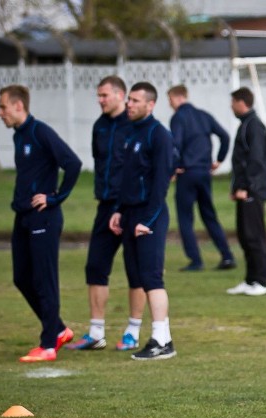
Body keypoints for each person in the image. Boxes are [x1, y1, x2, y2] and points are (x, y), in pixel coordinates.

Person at [0, 84, 81, 362]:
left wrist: (55, 197)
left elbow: (73, 163)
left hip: (44, 216)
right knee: (21, 277)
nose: (0, 113)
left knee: (45, 280)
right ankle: (57, 329)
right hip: (22, 216)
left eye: (3, 107)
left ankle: (48, 345)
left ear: (18, 105)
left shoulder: (40, 131)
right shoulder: (20, 136)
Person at [67, 76, 148, 352]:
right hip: (105, 206)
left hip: (130, 206)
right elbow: (100, 164)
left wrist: (125, 207)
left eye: (104, 95)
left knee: (135, 271)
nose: (100, 100)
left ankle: (133, 332)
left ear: (120, 95)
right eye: (98, 96)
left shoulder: (134, 125)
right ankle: (95, 332)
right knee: (95, 266)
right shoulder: (99, 126)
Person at [109, 82, 176, 360]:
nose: (130, 104)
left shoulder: (159, 134)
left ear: (150, 105)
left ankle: (162, 341)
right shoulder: (129, 132)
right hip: (131, 215)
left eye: (136, 100)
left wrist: (146, 219)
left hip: (151, 216)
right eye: (129, 100)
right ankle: (162, 338)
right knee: (137, 279)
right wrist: (119, 210)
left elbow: (161, 183)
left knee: (152, 278)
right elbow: (127, 179)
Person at [167, 84, 236, 272]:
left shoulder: (178, 118)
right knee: (209, 215)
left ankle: (195, 260)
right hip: (204, 172)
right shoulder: (204, 115)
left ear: (177, 97)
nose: (170, 104)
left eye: (170, 100)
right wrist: (219, 160)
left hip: (187, 173)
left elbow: (176, 144)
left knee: (185, 217)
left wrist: (174, 166)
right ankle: (227, 256)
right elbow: (225, 136)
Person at [226, 87, 266, 297]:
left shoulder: (254, 126)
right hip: (243, 191)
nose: (231, 106)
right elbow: (240, 162)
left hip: (252, 192)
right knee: (245, 236)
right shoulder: (245, 125)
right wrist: (236, 188)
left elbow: (256, 161)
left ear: (241, 102)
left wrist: (248, 188)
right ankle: (250, 279)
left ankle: (261, 281)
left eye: (233, 102)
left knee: (255, 236)